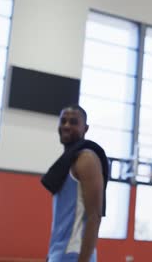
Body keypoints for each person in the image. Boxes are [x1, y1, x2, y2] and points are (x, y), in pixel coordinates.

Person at [41, 105, 108, 262]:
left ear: (85, 128)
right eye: (63, 121)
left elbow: (95, 216)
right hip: (59, 253)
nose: (66, 126)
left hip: (75, 254)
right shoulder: (66, 163)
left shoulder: (87, 158)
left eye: (73, 122)